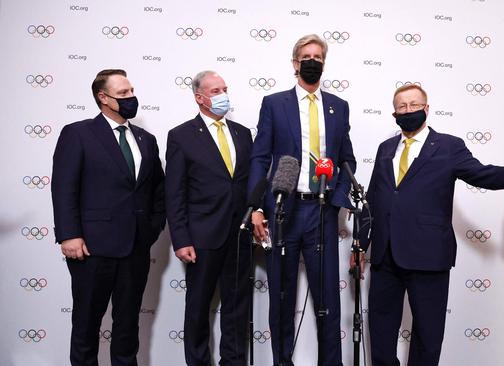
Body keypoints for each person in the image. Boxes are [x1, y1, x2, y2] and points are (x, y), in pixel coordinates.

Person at [350, 84, 504, 366]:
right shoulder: (385, 148)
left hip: (428, 254)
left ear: (427, 109)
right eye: (402, 106)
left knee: (428, 334)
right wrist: (361, 244)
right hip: (385, 254)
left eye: (414, 105)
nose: (408, 110)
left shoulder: (449, 146)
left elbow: (479, 174)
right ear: (394, 112)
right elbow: (374, 199)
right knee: (381, 330)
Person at [248, 34, 356, 366]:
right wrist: (256, 207)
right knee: (282, 295)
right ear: (295, 63)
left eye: (318, 57)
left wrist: (338, 199)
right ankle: (283, 361)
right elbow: (260, 158)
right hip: (283, 210)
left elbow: (346, 160)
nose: (312, 61)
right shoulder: (274, 103)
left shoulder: (339, 106)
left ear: (324, 63)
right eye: (306, 56)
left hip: (322, 211)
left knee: (328, 301)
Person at [51, 69, 165, 366]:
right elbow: (64, 187)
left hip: (135, 247)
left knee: (128, 327)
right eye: (123, 93)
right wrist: (69, 234)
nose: (131, 98)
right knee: (87, 325)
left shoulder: (146, 139)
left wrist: (150, 229)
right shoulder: (78, 133)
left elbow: (158, 191)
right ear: (103, 97)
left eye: (131, 91)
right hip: (91, 248)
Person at [165, 71, 253, 366]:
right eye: (216, 90)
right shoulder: (181, 136)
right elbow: (174, 193)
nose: (223, 94)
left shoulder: (243, 133)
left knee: (238, 307)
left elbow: (248, 183)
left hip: (240, 234)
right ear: (199, 97)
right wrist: (181, 239)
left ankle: (234, 361)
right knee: (198, 307)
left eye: (225, 88)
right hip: (201, 235)